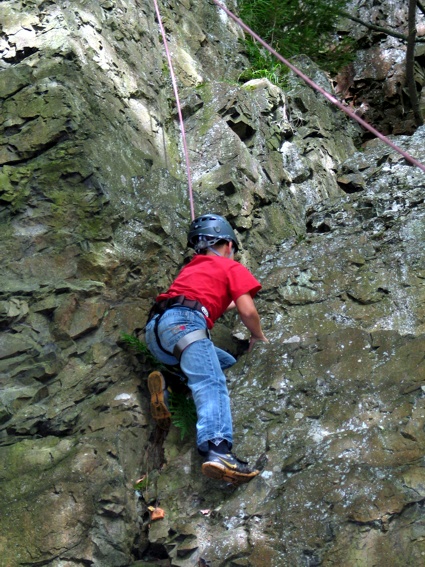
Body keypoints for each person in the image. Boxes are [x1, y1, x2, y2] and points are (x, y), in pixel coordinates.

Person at [145, 213, 268, 484]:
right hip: (186, 326)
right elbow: (247, 310)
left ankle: (168, 383)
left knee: (224, 363)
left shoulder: (192, 268)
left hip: (158, 332)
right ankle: (218, 450)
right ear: (228, 245)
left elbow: (218, 302)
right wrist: (257, 336)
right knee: (210, 380)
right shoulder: (229, 266)